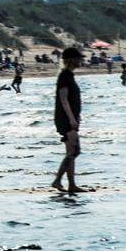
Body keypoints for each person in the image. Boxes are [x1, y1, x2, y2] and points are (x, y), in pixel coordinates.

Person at [51, 47, 87, 193]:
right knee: (75, 151)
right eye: (79, 58)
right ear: (71, 60)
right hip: (65, 119)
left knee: (70, 151)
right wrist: (71, 119)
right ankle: (57, 180)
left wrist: (77, 117)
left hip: (70, 118)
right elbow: (63, 99)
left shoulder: (69, 75)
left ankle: (71, 185)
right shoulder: (64, 76)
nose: (81, 60)